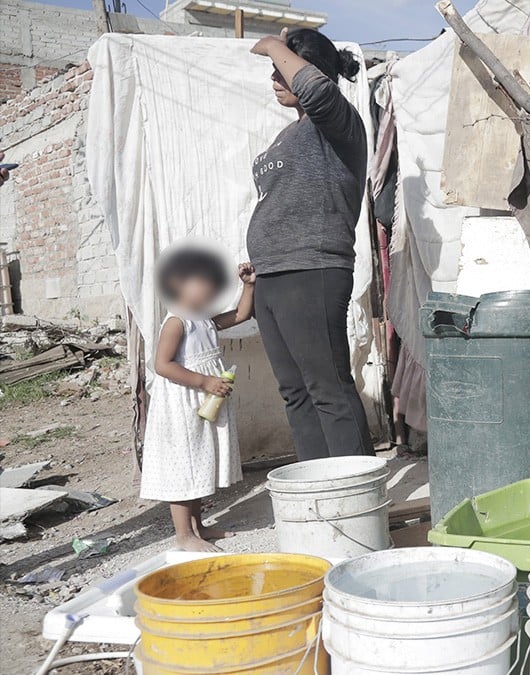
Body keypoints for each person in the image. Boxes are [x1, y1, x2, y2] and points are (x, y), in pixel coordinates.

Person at [247, 27, 372, 461]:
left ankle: (356, 494)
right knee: (296, 393)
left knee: (329, 389)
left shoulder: (337, 122)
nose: (274, 78)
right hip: (273, 275)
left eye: (281, 69)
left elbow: (316, 91)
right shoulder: (288, 135)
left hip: (313, 268)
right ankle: (318, 489)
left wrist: (273, 45)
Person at [140, 247, 256, 552]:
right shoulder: (177, 322)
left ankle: (197, 526)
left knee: (200, 463)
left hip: (203, 401)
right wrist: (205, 381)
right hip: (182, 404)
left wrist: (248, 285)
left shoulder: (203, 318)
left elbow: (242, 314)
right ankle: (183, 534)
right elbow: (162, 365)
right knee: (184, 467)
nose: (210, 290)